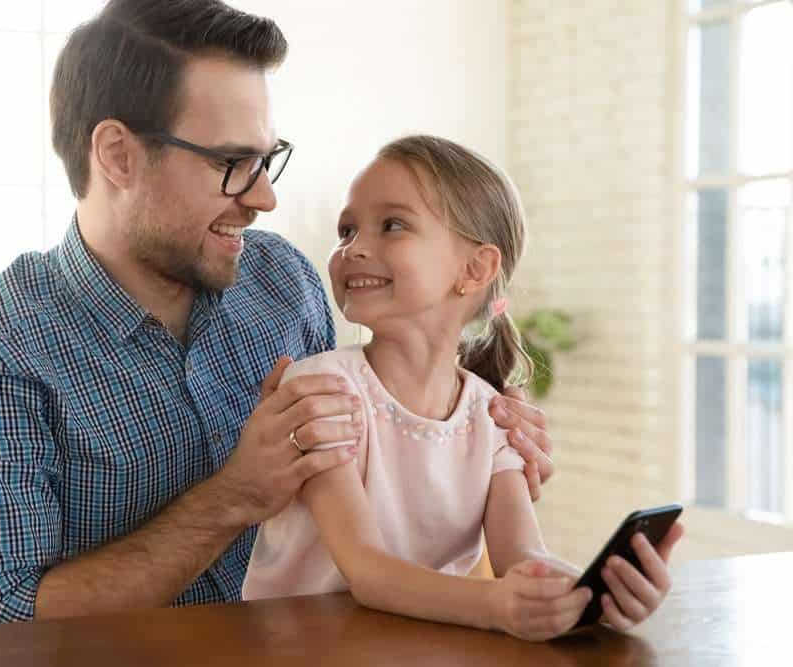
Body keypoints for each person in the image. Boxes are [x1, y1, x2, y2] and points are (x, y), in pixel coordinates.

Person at [0, 0, 556, 625]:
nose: (265, 197)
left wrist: (475, 445)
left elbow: (369, 473)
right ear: (118, 155)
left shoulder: (284, 282)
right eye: (231, 162)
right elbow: (10, 621)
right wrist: (235, 495)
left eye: (265, 159)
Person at [242, 135, 684, 640]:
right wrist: (497, 604)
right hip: (298, 646)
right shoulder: (322, 391)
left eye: (392, 225)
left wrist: (597, 595)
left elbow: (525, 558)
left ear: (475, 269)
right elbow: (367, 570)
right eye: (347, 230)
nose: (354, 247)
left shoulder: (492, 415)